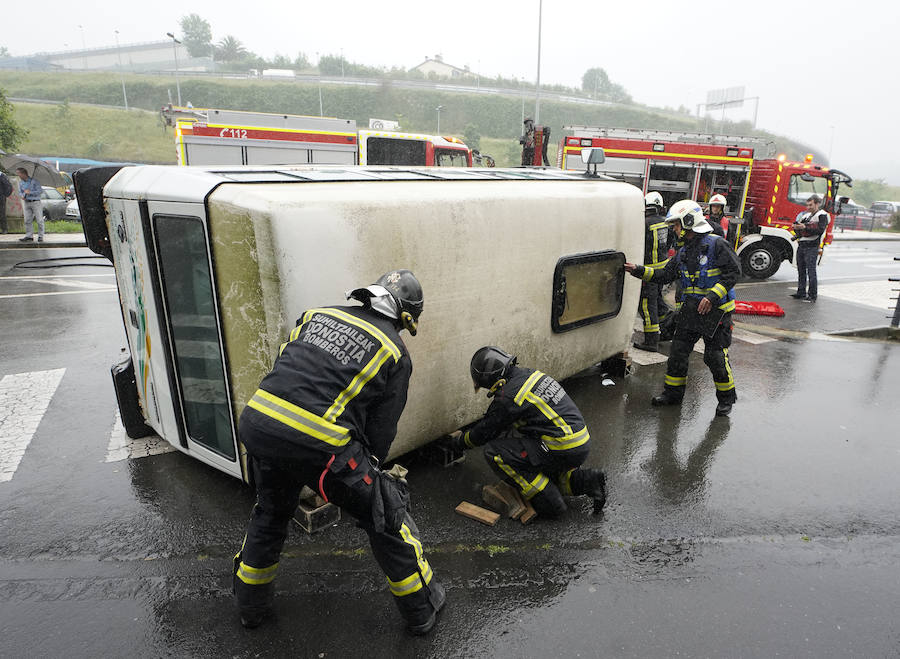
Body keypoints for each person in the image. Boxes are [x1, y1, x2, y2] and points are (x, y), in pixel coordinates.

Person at [232, 269, 445, 635]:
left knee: (269, 514)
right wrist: (364, 479)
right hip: (321, 444)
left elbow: (290, 368)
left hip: (260, 423)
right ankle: (422, 608)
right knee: (385, 513)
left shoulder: (317, 315)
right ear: (405, 316)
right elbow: (380, 433)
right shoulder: (394, 351)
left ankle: (250, 609)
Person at [446, 346, 607, 518]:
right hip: (579, 441)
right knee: (536, 463)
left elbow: (483, 433)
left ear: (491, 379)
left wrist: (457, 443)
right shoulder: (529, 375)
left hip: (560, 446)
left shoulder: (508, 397)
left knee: (495, 453)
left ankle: (549, 501)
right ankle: (588, 481)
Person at [624, 200, 741, 417]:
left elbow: (733, 273)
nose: (674, 229)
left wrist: (712, 296)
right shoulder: (684, 251)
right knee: (678, 354)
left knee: (715, 357)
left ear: (689, 222)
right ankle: (673, 395)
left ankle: (726, 399)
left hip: (717, 313)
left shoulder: (717, 244)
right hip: (690, 310)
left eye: (677, 225)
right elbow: (665, 274)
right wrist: (637, 270)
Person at [635, 191, 671, 352]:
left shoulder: (644, 224)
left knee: (646, 306)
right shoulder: (665, 222)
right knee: (657, 302)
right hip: (661, 272)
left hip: (648, 272)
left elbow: (637, 246)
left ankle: (651, 341)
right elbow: (670, 243)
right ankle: (667, 329)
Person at [790, 195, 829, 303]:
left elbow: (820, 229)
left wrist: (805, 227)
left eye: (810, 205)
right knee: (801, 270)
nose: (808, 207)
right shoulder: (806, 215)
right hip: (802, 245)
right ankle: (801, 292)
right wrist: (796, 227)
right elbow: (800, 228)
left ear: (817, 204)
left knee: (811, 271)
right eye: (807, 205)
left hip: (812, 246)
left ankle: (812, 295)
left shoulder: (822, 215)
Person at [16, 167, 44, 243]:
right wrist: (22, 195)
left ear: (23, 173)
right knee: (27, 220)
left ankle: (40, 236)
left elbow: (40, 191)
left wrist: (30, 192)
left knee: (39, 220)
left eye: (19, 173)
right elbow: (20, 191)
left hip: (35, 202)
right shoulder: (21, 182)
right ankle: (29, 236)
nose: (18, 175)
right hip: (26, 202)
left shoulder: (34, 181)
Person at [0, 169, 13, 234]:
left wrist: (4, 195)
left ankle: (4, 229)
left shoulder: (1, 175)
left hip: (1, 197)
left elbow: (9, 186)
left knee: (2, 214)